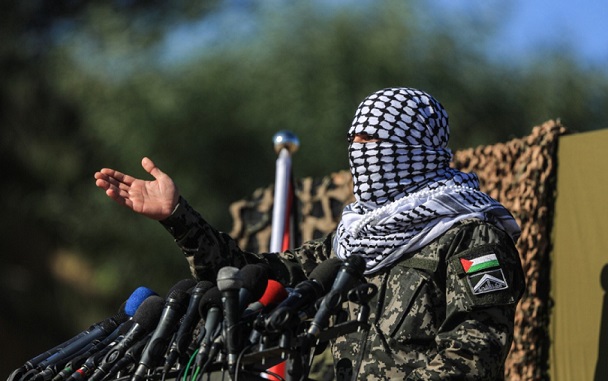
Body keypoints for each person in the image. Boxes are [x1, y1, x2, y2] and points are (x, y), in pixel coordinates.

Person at [94, 87, 525, 380]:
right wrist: (178, 217)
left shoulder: (470, 237)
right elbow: (252, 278)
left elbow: (473, 355)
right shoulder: (352, 239)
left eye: (372, 140)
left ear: (415, 148)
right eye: (354, 139)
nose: (359, 152)